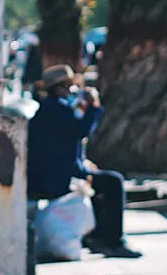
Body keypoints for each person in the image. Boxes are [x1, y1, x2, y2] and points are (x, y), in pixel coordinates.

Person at [27, 64, 142, 258]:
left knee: (101, 182)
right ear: (63, 87)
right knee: (113, 182)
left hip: (51, 173)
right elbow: (81, 130)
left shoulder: (48, 108)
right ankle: (112, 241)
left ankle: (98, 236)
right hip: (57, 178)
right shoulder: (58, 108)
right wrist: (93, 107)